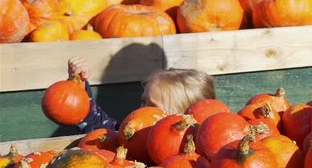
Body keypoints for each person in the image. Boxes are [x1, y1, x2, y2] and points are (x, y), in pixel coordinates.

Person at [68, 56, 216, 133]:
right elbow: (95, 124)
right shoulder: (131, 134)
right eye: (143, 101)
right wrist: (78, 87)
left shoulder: (193, 161)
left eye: (152, 107)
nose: (141, 110)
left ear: (184, 121)